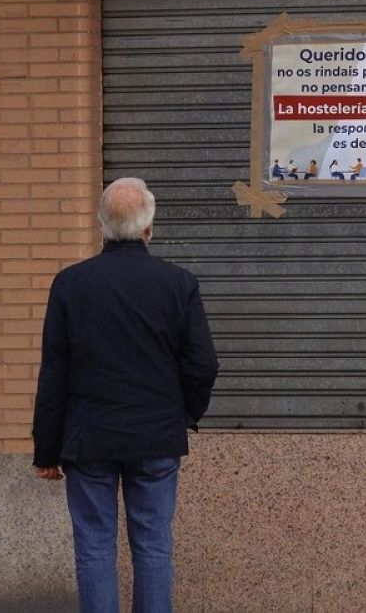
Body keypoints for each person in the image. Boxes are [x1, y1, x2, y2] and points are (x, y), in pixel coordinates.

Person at [32, 178, 220, 613]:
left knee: (95, 548)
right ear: (148, 227)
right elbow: (204, 364)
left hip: (89, 439)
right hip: (156, 438)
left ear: (101, 225)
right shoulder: (178, 284)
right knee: (153, 545)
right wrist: (184, 414)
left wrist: (46, 449)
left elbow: (55, 373)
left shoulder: (70, 285)